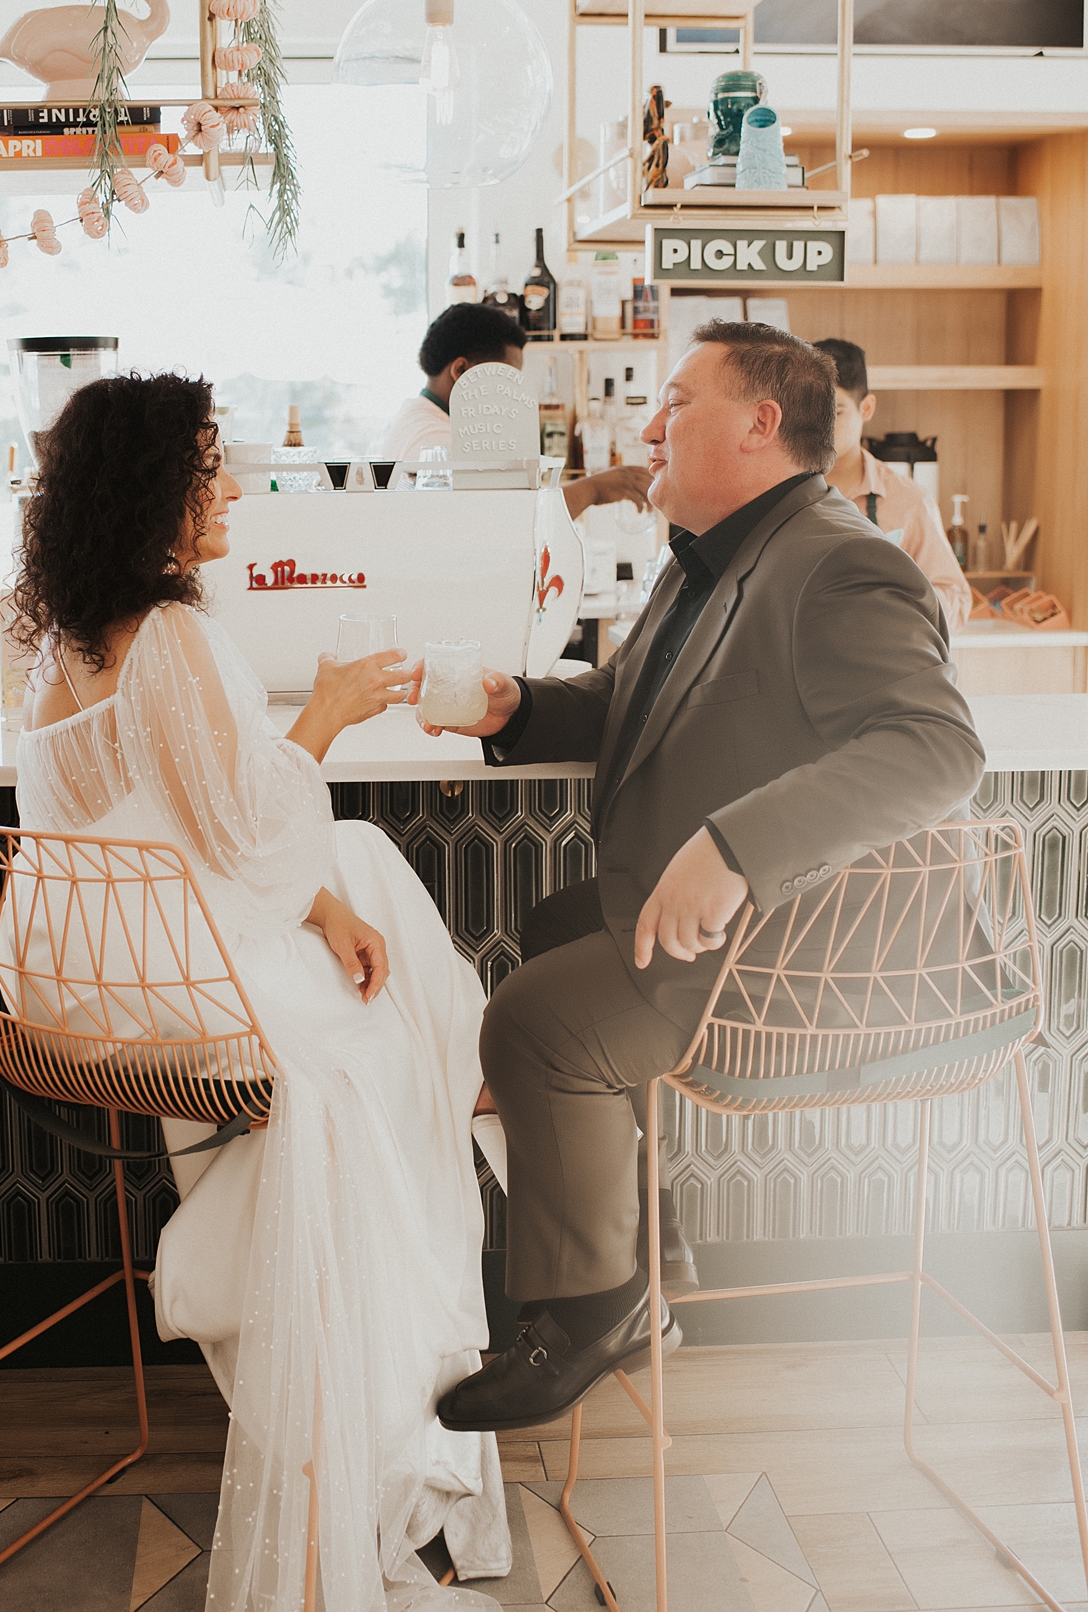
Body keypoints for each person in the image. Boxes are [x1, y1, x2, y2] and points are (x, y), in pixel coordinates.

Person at [12, 373, 510, 1612]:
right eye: (211, 470)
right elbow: (235, 831)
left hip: (80, 967)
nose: (233, 489)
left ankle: (442, 1140)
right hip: (167, 976)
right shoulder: (173, 637)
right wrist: (333, 709)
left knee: (351, 872)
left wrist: (322, 894)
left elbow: (192, 829)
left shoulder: (62, 639)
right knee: (379, 1065)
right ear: (156, 496)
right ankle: (392, 1410)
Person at [412, 320, 985, 1436]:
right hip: (730, 932)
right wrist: (518, 706)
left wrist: (735, 848)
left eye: (676, 401)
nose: (649, 423)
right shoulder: (713, 553)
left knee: (530, 1022)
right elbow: (630, 701)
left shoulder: (840, 559)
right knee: (553, 920)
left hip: (801, 948)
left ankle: (589, 1313)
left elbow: (937, 748)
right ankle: (641, 1251)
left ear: (761, 424)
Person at [380, 301, 652, 519]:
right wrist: (593, 488)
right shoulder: (436, 440)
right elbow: (508, 521)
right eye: (505, 377)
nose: (513, 393)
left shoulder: (420, 416)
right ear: (461, 370)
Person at [817, 335, 971, 629]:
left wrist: (896, 610)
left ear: (867, 408)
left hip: (883, 664)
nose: (820, 426)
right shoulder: (777, 491)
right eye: (811, 411)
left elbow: (955, 597)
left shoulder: (909, 500)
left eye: (836, 412)